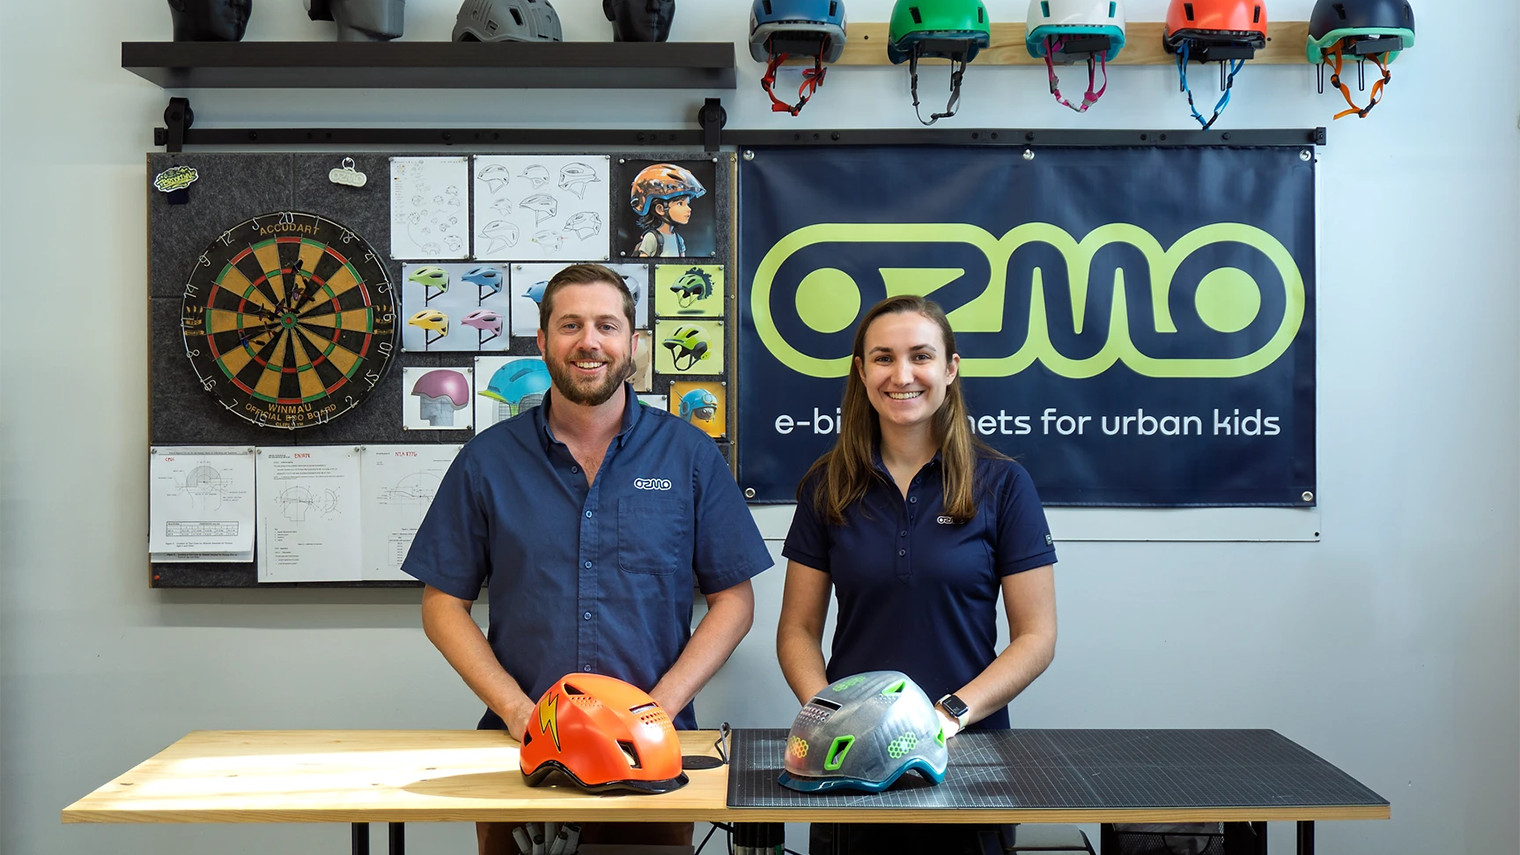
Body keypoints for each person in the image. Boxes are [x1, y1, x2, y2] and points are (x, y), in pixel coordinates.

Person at [403, 263, 771, 854]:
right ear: (543, 340)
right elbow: (442, 605)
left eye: (607, 325)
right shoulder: (487, 461)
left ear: (633, 342)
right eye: (570, 325)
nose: (589, 342)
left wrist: (656, 711)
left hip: (651, 758)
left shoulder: (689, 455)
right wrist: (517, 712)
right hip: (521, 752)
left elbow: (734, 602)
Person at [776, 295, 1058, 854]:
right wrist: (830, 719)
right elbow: (797, 630)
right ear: (861, 372)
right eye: (883, 358)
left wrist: (946, 717)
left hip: (966, 752)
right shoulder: (826, 485)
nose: (902, 375)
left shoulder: (1003, 485)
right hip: (846, 765)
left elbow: (1037, 637)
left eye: (921, 356)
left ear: (950, 369)